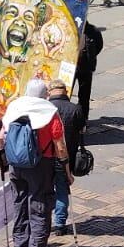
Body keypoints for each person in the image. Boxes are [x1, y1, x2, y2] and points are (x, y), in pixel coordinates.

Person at [0, 81, 67, 247]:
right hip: (41, 165)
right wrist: (66, 170)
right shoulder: (50, 112)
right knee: (39, 206)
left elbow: (0, 139)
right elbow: (60, 146)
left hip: (16, 165)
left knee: (20, 205)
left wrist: (4, 163)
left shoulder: (14, 107)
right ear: (45, 95)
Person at [48, 80, 82, 233]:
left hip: (46, 156)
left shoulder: (44, 109)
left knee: (43, 190)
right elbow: (82, 130)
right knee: (62, 189)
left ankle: (43, 222)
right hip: (65, 157)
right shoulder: (75, 109)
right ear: (66, 92)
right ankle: (60, 224)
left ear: (50, 92)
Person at [74, 23, 103, 127]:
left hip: (85, 67)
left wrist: (90, 57)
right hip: (70, 68)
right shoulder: (68, 26)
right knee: (66, 93)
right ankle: (66, 117)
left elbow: (99, 46)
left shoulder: (92, 31)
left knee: (84, 95)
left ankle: (83, 119)